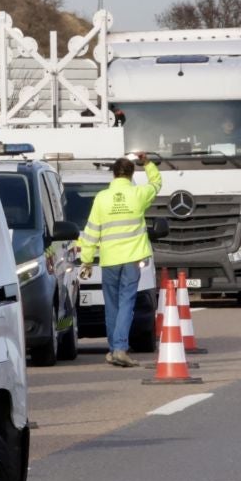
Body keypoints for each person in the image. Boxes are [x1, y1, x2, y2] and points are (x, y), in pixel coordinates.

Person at [76, 153, 161, 367]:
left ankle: (114, 348)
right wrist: (148, 163)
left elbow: (91, 230)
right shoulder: (139, 194)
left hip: (109, 259)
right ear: (132, 174)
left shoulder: (102, 198)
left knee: (111, 305)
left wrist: (86, 260)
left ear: (113, 174)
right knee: (127, 302)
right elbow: (157, 183)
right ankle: (121, 348)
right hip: (132, 258)